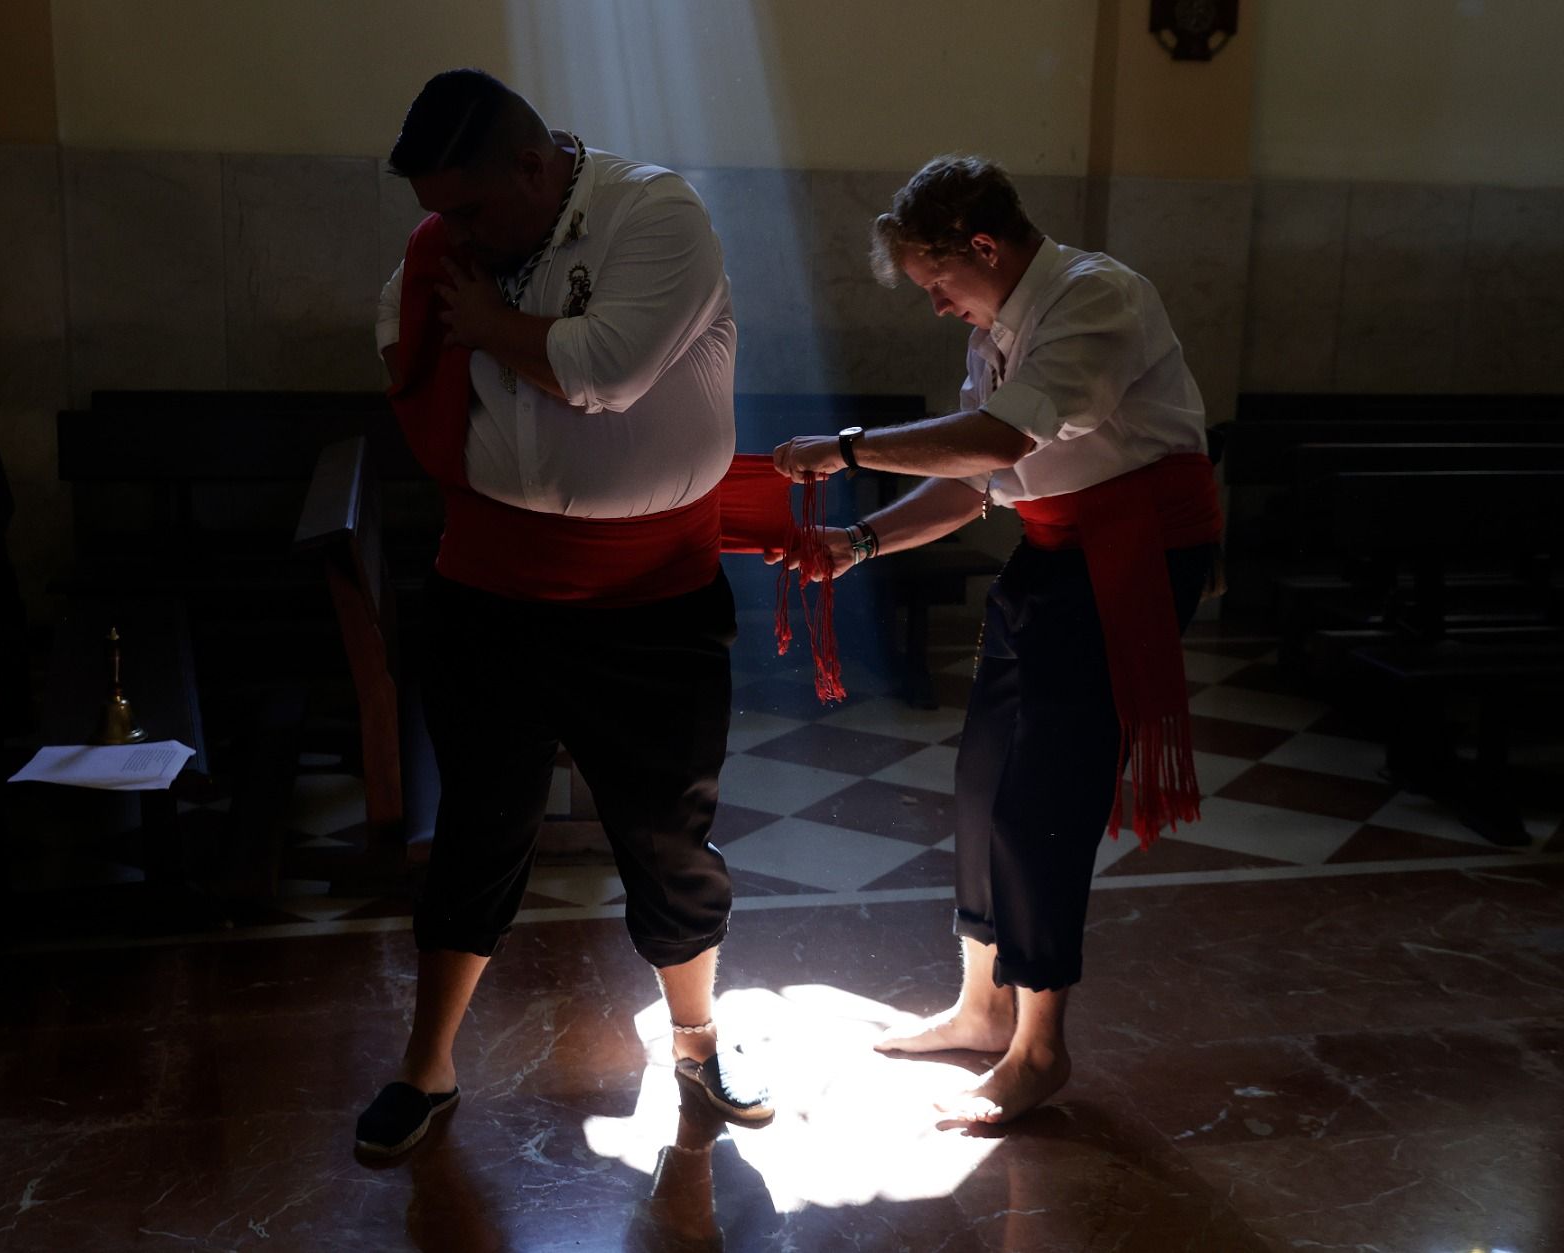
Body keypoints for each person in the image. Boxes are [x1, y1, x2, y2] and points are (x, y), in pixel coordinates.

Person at [357, 69, 771, 1158]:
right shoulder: (454, 246)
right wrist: (480, 316)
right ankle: (426, 1065)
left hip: (651, 600)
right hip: (490, 586)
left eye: (469, 208)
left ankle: (697, 1043)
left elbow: (608, 371)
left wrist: (491, 325)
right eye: (434, 214)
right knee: (479, 830)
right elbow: (399, 344)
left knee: (665, 833)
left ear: (536, 168)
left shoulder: (657, 216)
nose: (448, 236)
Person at [772, 156, 1221, 1124]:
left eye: (939, 284)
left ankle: (1040, 1044)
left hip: (1130, 553)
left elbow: (998, 443)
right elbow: (975, 482)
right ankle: (981, 1008)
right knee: (982, 776)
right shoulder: (999, 324)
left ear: (982, 245)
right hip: (1058, 542)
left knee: (1042, 796)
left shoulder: (1095, 298)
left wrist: (846, 449)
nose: (937, 307)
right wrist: (856, 543)